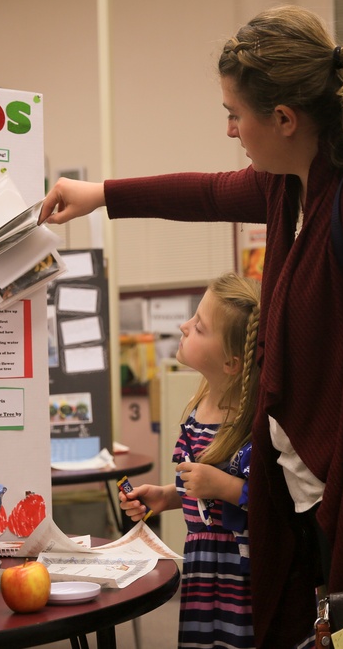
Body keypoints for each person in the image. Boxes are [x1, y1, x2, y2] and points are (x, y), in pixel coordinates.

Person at [40, 4, 343, 648]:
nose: (230, 130)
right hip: (309, 499)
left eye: (235, 114)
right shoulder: (293, 184)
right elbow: (207, 193)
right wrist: (101, 195)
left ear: (284, 119)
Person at [119, 272, 261, 649]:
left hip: (239, 577)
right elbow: (202, 493)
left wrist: (225, 487)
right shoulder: (200, 405)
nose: (183, 326)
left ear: (231, 363)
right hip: (202, 569)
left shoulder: (254, 424)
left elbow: (277, 503)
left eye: (198, 326)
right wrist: (168, 496)